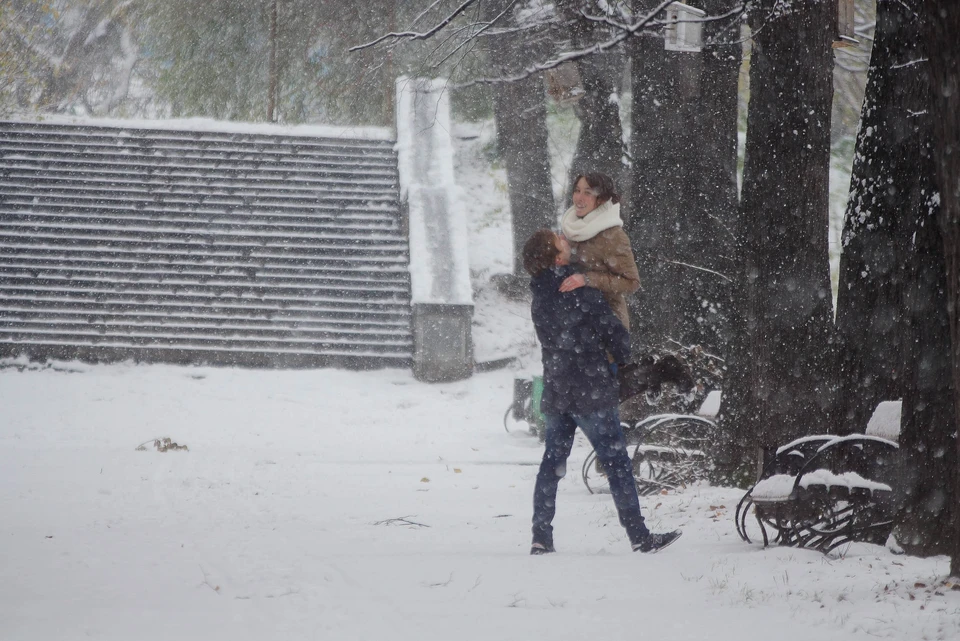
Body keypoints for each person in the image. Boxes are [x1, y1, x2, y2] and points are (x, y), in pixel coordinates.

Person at [522, 229, 681, 555]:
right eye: (559, 241)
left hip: (557, 390)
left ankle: (541, 537)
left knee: (552, 464)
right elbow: (616, 337)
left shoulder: (539, 298)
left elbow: (556, 341)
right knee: (617, 464)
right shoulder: (581, 292)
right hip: (591, 390)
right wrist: (616, 358)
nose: (565, 240)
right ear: (556, 257)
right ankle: (640, 536)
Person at [558, 173, 640, 331]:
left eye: (588, 193)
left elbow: (632, 282)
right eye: (577, 190)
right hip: (573, 321)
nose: (579, 198)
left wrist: (587, 279)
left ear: (601, 199)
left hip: (607, 326)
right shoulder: (571, 227)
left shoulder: (613, 236)